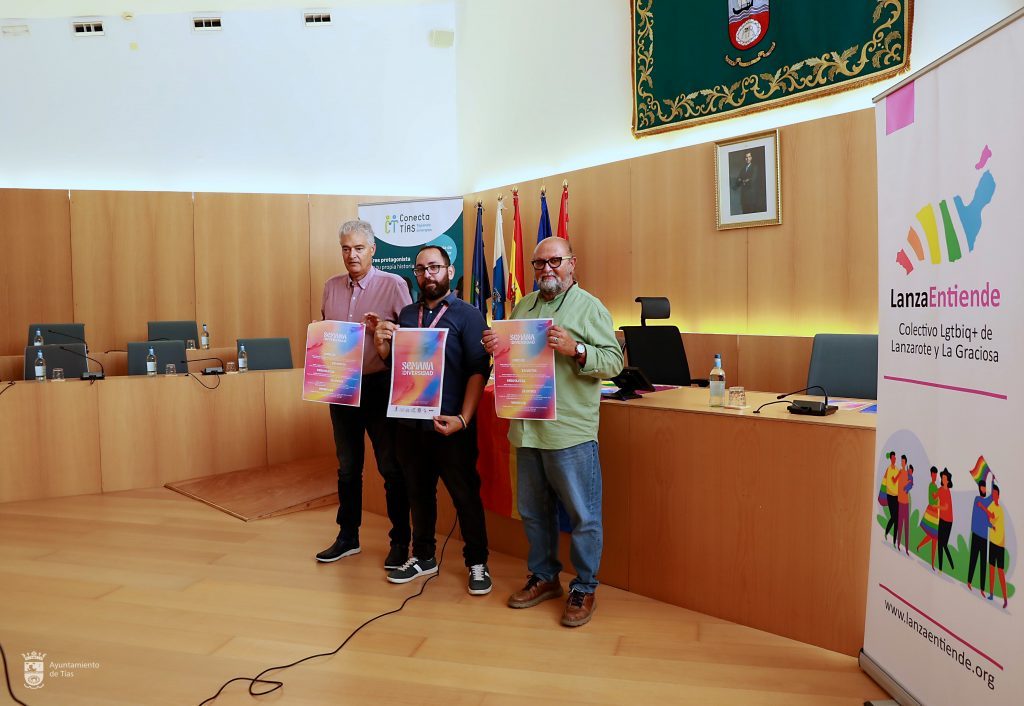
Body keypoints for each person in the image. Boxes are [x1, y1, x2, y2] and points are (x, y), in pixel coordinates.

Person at [483, 237, 623, 627]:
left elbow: (613, 362)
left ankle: (585, 585)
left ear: (572, 263)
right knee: (533, 511)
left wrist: (576, 349)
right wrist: (494, 344)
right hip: (526, 427)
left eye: (555, 261)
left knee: (582, 514)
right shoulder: (523, 306)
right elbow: (511, 355)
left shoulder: (590, 307)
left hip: (568, 431)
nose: (546, 269)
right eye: (539, 263)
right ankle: (544, 577)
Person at [375, 245, 493, 595]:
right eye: (422, 269)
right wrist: (384, 351)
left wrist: (463, 418)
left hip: (451, 425)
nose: (428, 275)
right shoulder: (408, 315)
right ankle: (423, 555)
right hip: (410, 426)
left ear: (450, 270)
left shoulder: (468, 315)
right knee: (418, 493)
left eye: (435, 267)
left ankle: (477, 562)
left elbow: (477, 370)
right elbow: (402, 368)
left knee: (465, 495)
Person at [316, 219, 413, 570]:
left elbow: (412, 338)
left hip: (379, 386)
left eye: (358, 248)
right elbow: (326, 334)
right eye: (345, 248)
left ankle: (400, 541)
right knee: (347, 468)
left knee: (391, 467)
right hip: (341, 387)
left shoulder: (394, 284)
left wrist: (385, 334)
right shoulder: (330, 286)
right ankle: (347, 537)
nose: (351, 255)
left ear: (373, 250)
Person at [967, 478, 994, 595]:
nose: (983, 489)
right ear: (979, 489)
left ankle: (982, 588)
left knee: (983, 562)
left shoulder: (986, 502)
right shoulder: (977, 500)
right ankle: (969, 581)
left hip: (984, 536)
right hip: (976, 534)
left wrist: (992, 481)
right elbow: (981, 514)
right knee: (973, 558)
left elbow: (992, 497)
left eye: (984, 487)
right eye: (982, 487)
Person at [986, 485, 1008, 608]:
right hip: (992, 542)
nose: (994, 496)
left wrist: (984, 509)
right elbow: (988, 519)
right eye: (992, 494)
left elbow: (991, 518)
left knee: (1000, 572)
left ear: (998, 496)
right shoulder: (991, 506)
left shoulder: (999, 510)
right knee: (991, 569)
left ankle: (1005, 599)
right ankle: (991, 594)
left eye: (995, 494)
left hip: (1000, 544)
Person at [916, 467, 940, 569]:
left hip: (936, 514)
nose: (935, 476)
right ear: (931, 475)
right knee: (933, 537)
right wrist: (940, 492)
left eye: (936, 474)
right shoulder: (931, 485)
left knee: (933, 537)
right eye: (933, 474)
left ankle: (932, 563)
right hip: (931, 512)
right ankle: (932, 563)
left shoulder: (935, 486)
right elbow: (934, 497)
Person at [936, 469, 955, 573]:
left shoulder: (947, 492)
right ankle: (940, 568)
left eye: (945, 478)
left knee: (944, 544)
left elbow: (945, 507)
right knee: (940, 544)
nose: (943, 480)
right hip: (941, 519)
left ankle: (951, 563)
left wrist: (937, 506)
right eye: (942, 478)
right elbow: (935, 496)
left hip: (948, 521)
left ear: (948, 481)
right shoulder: (940, 489)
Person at [883, 452, 900, 544]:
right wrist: (899, 474)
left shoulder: (897, 469)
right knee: (894, 517)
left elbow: (899, 482)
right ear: (890, 459)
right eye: (893, 458)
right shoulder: (889, 469)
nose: (894, 459)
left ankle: (894, 540)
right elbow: (893, 481)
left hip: (896, 496)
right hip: (890, 496)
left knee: (897, 518)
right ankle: (886, 531)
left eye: (895, 458)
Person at [896, 463, 914, 553]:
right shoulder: (904, 473)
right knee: (900, 524)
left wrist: (906, 488)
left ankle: (906, 549)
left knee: (906, 526)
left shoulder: (910, 479)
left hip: (905, 503)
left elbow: (910, 485)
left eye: (911, 471)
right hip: (901, 502)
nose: (909, 472)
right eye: (909, 470)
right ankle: (898, 544)